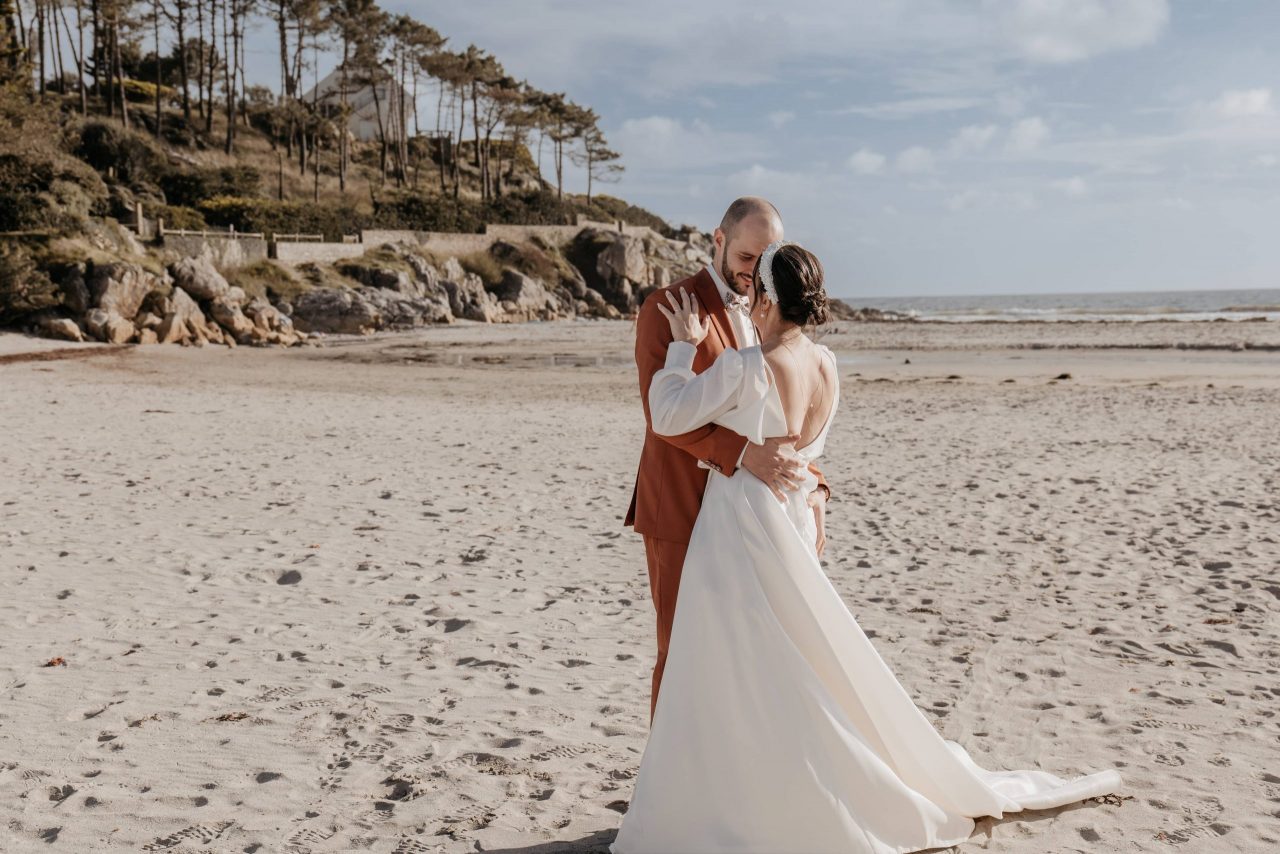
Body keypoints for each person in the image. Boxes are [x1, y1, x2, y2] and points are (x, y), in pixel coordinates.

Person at [610, 241, 1123, 853]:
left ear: (767, 298)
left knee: (740, 665)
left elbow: (666, 414)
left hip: (742, 527)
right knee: (797, 660)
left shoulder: (750, 365)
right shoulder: (826, 363)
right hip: (795, 519)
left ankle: (744, 796)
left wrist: (684, 346)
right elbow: (810, 451)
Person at [625, 197, 830, 721]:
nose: (753, 272)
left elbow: (784, 420)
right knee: (680, 652)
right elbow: (661, 416)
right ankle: (667, 781)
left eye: (766, 259)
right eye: (745, 257)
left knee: (744, 655)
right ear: (717, 241)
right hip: (681, 508)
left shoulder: (771, 318)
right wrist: (741, 455)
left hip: (750, 521)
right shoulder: (668, 307)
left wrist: (816, 488)